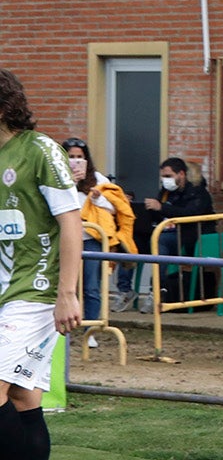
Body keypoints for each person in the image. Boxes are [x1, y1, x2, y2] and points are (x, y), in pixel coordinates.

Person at [0, 68, 83, 460]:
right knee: (25, 396)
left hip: (37, 289)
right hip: (6, 291)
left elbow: (71, 221)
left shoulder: (39, 149)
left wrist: (67, 293)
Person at [68, 139, 136, 334]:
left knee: (90, 286)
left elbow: (116, 207)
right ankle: (64, 331)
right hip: (64, 239)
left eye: (79, 157)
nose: (75, 161)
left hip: (91, 239)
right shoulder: (56, 177)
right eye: (71, 157)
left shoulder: (99, 179)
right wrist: (70, 183)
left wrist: (98, 199)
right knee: (67, 286)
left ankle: (90, 330)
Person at [144, 157, 214, 301]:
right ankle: (125, 289)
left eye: (168, 176)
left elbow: (191, 213)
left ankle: (157, 289)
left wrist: (162, 207)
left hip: (193, 235)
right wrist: (151, 210)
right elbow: (159, 215)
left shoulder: (197, 192)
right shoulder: (166, 192)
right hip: (169, 232)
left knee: (160, 241)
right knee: (131, 242)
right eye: (163, 176)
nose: (165, 180)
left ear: (181, 174)